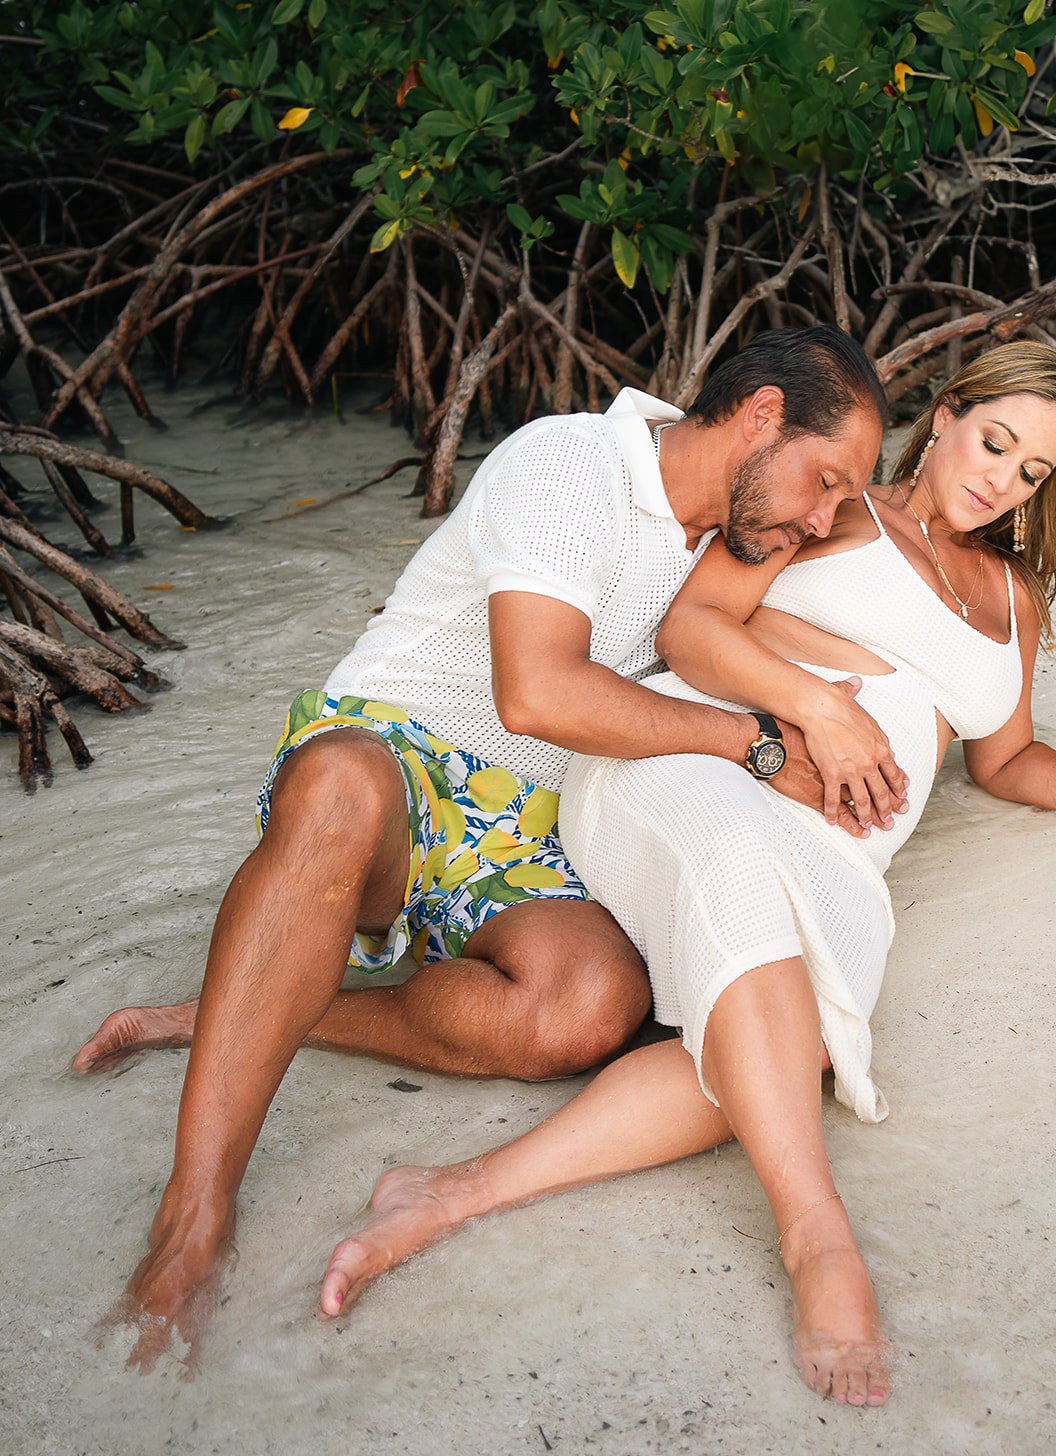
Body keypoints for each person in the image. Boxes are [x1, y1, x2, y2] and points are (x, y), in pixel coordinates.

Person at [311, 341, 1056, 1407]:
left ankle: (449, 1195)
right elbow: (692, 626)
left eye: (1031, 471)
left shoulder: (1011, 601)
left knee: (791, 1044)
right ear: (945, 415)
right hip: (699, 768)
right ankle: (818, 1240)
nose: (1001, 478)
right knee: (750, 908)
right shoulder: (832, 510)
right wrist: (813, 706)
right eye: (993, 441)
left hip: (838, 842)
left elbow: (1007, 759)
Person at [71, 325, 901, 1372]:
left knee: (588, 1009)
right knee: (337, 785)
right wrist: (755, 740)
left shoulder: (743, 546)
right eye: (822, 481)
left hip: (529, 832)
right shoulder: (571, 461)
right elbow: (537, 690)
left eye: (838, 500)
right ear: (762, 415)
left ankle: (236, 1010)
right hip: (397, 756)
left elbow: (889, 582)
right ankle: (191, 1221)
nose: (822, 516)